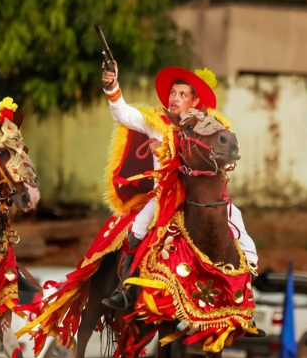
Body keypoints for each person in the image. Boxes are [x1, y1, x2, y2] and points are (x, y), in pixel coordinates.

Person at [99, 63, 257, 311]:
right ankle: (126, 289)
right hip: (164, 196)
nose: (174, 98)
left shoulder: (208, 126)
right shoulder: (155, 122)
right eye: (173, 93)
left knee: (235, 215)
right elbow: (123, 114)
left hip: (200, 197)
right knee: (139, 225)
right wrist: (112, 87)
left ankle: (246, 281)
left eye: (182, 94)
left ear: (195, 101)